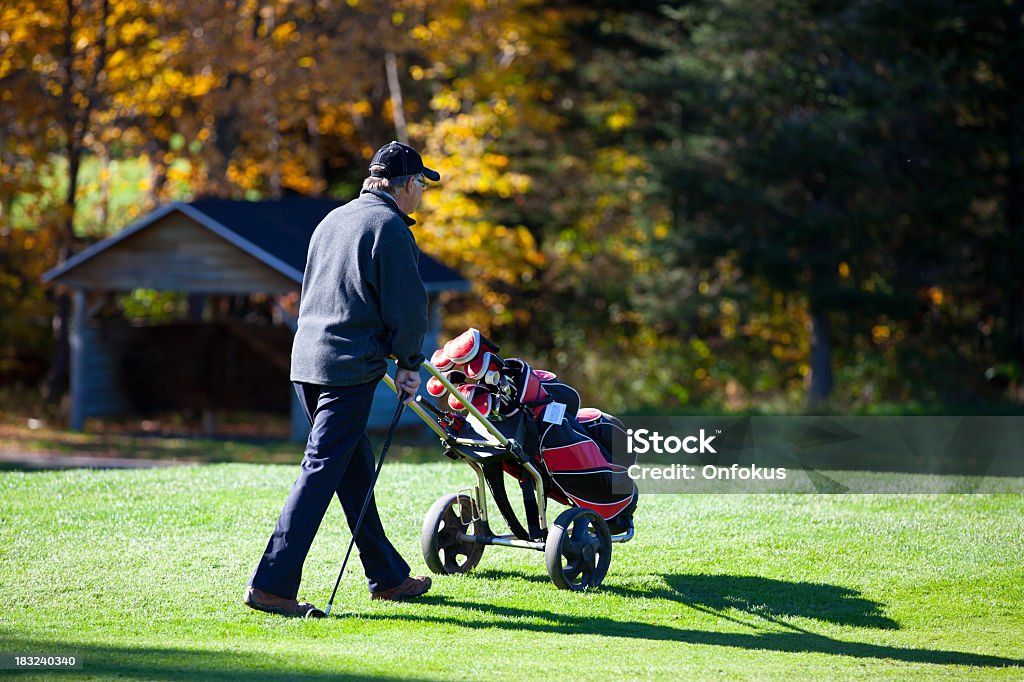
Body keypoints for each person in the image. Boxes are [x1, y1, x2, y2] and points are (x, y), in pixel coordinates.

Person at [244, 141, 441, 617]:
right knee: (321, 471)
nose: (422, 196)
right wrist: (410, 362)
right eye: (422, 186)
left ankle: (388, 577)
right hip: (346, 370)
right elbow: (408, 308)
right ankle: (270, 584)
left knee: (352, 472)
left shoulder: (332, 219)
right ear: (409, 184)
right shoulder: (390, 227)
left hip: (307, 364)